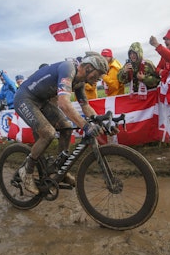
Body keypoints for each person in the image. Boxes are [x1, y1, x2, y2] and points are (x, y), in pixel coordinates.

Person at [13, 51, 115, 195]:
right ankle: (26, 171)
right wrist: (86, 126)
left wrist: (99, 120)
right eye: (97, 75)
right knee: (48, 133)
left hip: (41, 100)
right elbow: (63, 103)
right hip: (25, 98)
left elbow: (85, 106)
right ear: (88, 68)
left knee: (67, 128)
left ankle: (60, 169)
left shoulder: (80, 82)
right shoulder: (69, 69)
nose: (97, 80)